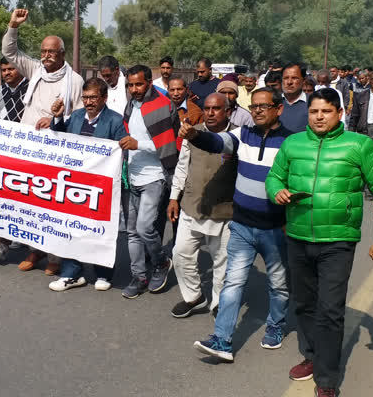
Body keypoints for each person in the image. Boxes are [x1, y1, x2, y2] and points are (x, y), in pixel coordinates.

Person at [266, 88, 373, 397]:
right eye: (314, 112)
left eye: (326, 111)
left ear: (339, 113)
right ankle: (312, 357)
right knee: (305, 304)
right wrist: (277, 192)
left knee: (330, 309)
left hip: (338, 240)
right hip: (298, 237)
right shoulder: (293, 143)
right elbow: (274, 177)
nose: (319, 117)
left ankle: (327, 379)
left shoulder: (359, 145)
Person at [187, 87, 292, 361]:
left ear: (278, 109)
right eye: (253, 106)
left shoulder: (292, 143)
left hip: (274, 229)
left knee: (279, 284)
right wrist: (195, 134)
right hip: (242, 226)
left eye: (263, 106)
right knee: (232, 283)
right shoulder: (242, 135)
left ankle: (276, 325)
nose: (256, 110)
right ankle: (222, 340)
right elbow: (216, 142)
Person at [4, 8, 84, 275]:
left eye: (51, 52)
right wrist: (13, 25)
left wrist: (57, 119)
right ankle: (34, 249)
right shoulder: (34, 70)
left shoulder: (75, 81)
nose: (46, 56)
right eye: (43, 51)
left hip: (56, 153)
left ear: (62, 54)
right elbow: (10, 53)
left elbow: (82, 117)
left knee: (53, 204)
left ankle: (54, 256)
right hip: (28, 149)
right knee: (29, 201)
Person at [45, 77, 127, 292]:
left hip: (101, 187)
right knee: (71, 228)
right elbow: (61, 137)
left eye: (93, 97)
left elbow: (122, 152)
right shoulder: (78, 116)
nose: (89, 102)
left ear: (104, 98)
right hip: (75, 185)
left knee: (100, 230)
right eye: (85, 98)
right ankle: (71, 273)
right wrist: (57, 117)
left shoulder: (115, 121)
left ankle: (103, 273)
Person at [168, 93, 236, 318]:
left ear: (227, 111)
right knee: (181, 254)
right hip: (191, 204)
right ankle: (194, 297)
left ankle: (218, 302)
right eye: (206, 108)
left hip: (224, 211)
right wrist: (173, 198)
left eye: (216, 109)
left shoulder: (238, 136)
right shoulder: (192, 132)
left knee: (222, 262)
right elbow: (182, 166)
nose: (209, 113)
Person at [120, 65, 180, 299]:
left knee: (145, 227)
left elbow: (168, 146)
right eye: (130, 85)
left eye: (139, 84)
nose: (134, 89)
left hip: (154, 177)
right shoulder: (130, 105)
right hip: (132, 176)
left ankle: (161, 262)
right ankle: (140, 276)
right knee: (132, 232)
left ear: (148, 83)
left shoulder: (162, 106)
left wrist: (138, 145)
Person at [0, 58, 29, 260]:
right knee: (8, 195)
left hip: (28, 151)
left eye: (11, 68)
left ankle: (7, 240)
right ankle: (5, 239)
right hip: (5, 151)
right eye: (3, 70)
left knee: (24, 196)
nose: (7, 73)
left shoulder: (31, 88)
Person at [280, 62, 308, 133]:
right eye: (286, 78)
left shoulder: (312, 103)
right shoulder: (273, 102)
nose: (289, 82)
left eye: (294, 78)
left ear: (304, 81)